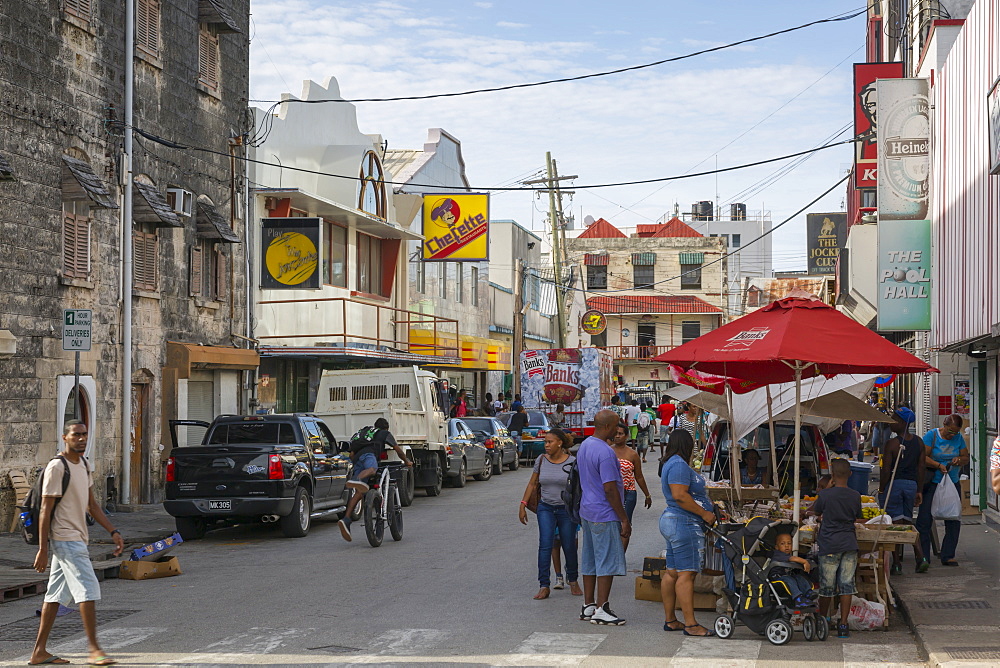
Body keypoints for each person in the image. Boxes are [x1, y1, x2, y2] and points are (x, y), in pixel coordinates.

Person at [30, 421, 125, 667]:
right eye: (76, 435)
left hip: (78, 538)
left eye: (84, 434)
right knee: (88, 589)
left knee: (54, 596)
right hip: (64, 539)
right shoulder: (57, 467)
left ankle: (39, 652)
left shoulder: (84, 464)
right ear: (65, 437)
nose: (81, 438)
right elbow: (44, 509)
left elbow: (91, 505)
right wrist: (43, 548)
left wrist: (113, 531)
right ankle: (94, 649)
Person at [659, 429, 717, 637]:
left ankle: (671, 620)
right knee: (687, 573)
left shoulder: (672, 463)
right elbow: (680, 495)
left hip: (675, 521)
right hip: (684, 522)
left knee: (673, 572)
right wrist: (704, 513)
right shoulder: (678, 465)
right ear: (686, 444)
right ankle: (691, 624)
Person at [576, 410, 630, 626]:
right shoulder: (606, 453)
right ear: (607, 427)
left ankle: (588, 605)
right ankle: (602, 607)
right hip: (604, 512)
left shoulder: (585, 446)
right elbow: (610, 489)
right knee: (606, 561)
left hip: (587, 510)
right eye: (616, 426)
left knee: (590, 560)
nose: (619, 430)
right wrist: (624, 518)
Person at [519, 428, 583, 599]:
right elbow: (532, 484)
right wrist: (523, 504)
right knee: (545, 545)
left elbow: (579, 488)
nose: (546, 445)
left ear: (560, 443)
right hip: (545, 508)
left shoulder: (572, 462)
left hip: (566, 510)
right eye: (545, 442)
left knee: (569, 545)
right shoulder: (541, 460)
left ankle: (573, 580)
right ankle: (544, 585)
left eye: (549, 442)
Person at [338, 418, 413, 542]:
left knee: (359, 492)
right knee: (372, 469)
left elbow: (351, 454)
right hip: (369, 455)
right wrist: (407, 461)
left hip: (357, 460)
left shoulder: (363, 432)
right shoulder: (384, 433)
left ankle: (346, 519)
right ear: (386, 428)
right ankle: (357, 479)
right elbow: (397, 449)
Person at [813, 458, 863, 639]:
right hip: (849, 543)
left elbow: (815, 511)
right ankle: (843, 624)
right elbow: (857, 516)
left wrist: (826, 490)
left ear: (832, 475)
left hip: (829, 544)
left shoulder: (825, 495)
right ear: (850, 474)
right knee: (846, 585)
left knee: (827, 586)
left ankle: (823, 619)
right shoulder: (855, 495)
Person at [916, 414, 969, 567]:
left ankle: (948, 554)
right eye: (950, 431)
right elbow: (922, 457)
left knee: (953, 518)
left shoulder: (958, 438)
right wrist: (938, 465)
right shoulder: (932, 436)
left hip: (952, 482)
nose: (952, 435)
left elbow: (965, 457)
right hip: (933, 482)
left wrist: (959, 460)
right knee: (924, 519)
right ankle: (923, 556)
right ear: (944, 425)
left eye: (955, 432)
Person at [878, 406, 927, 573]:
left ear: (901, 423)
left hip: (895, 484)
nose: (891, 422)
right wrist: (919, 490)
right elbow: (921, 468)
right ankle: (920, 557)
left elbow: (886, 470)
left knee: (894, 524)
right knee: (907, 522)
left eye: (893, 419)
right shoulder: (919, 442)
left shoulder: (892, 443)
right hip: (912, 485)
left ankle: (897, 564)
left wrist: (882, 488)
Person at [609, 421, 652, 551]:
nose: (617, 436)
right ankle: (611, 555)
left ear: (627, 436)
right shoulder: (608, 451)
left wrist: (647, 494)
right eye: (615, 434)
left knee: (625, 524)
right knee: (611, 524)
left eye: (620, 434)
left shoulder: (632, 454)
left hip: (628, 493)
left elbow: (638, 476)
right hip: (611, 493)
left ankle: (620, 558)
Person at [770, 532, 815, 607]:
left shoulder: (786, 554)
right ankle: (798, 598)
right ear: (776, 547)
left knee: (798, 577)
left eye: (789, 543)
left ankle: (808, 592)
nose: (786, 546)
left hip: (786, 576)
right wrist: (804, 562)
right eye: (782, 544)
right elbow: (792, 558)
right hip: (777, 577)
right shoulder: (777, 554)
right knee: (790, 580)